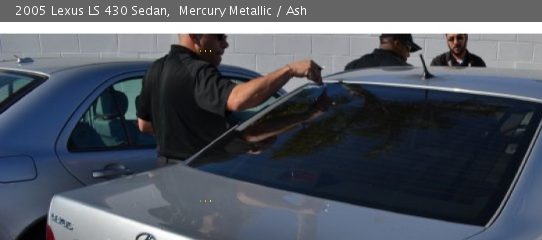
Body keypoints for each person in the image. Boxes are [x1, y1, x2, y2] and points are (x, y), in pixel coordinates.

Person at [136, 34, 323, 163]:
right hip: (200, 183)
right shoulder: (198, 70)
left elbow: (144, 125)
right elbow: (237, 100)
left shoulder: (156, 68)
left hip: (168, 174)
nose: (225, 45)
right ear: (194, 37)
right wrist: (288, 70)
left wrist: (230, 142)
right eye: (219, 37)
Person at [344, 34, 421, 70]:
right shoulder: (405, 70)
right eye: (408, 49)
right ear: (397, 44)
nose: (408, 55)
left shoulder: (352, 67)